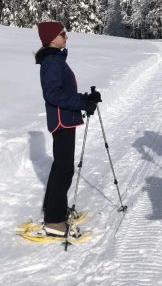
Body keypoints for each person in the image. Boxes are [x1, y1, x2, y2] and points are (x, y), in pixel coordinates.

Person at [35, 21, 102, 238]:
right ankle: (54, 221)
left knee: (60, 167)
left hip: (65, 119)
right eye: (63, 33)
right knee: (64, 169)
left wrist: (86, 98)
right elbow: (53, 94)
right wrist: (82, 104)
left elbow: (62, 91)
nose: (66, 36)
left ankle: (53, 210)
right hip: (62, 121)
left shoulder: (54, 59)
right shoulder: (53, 61)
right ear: (53, 37)